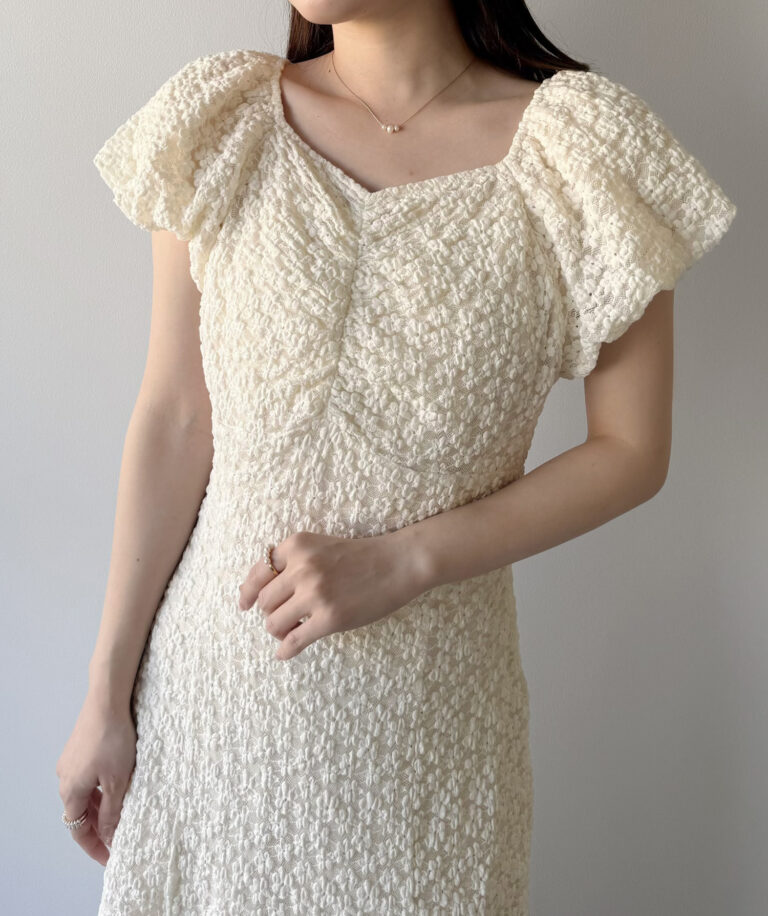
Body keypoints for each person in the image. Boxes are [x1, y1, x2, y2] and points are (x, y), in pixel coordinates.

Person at [57, 2, 737, 913]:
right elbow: (177, 417)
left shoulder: (584, 155)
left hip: (428, 745)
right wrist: (105, 697)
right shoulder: (224, 124)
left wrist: (405, 560)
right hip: (205, 721)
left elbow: (632, 450)